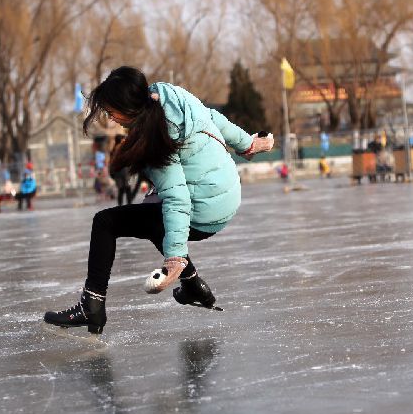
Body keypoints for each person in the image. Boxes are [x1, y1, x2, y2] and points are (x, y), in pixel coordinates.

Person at [43, 66, 273, 334]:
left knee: (106, 221)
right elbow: (212, 117)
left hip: (205, 212)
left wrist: (175, 258)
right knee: (152, 215)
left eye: (111, 112)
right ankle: (193, 285)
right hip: (228, 193)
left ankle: (91, 306)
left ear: (127, 108)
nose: (111, 118)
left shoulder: (155, 139)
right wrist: (248, 144)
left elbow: (177, 199)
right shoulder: (170, 97)